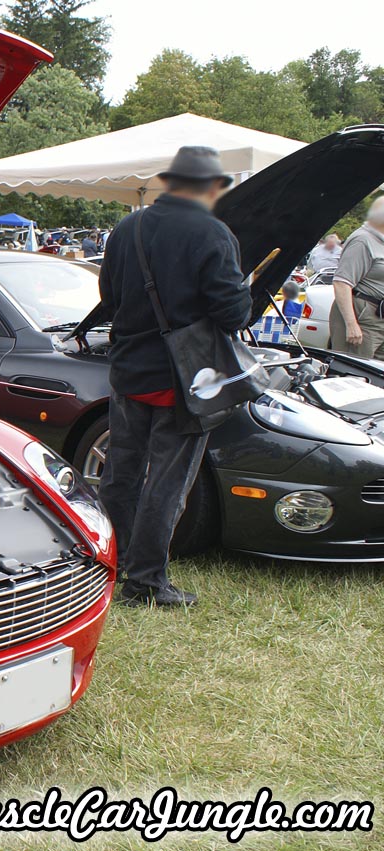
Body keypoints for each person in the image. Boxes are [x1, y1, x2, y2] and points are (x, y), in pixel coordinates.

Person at [97, 146, 252, 608]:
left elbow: (108, 298)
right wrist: (244, 292)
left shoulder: (129, 227)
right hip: (184, 379)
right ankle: (145, 582)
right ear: (210, 186)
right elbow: (233, 315)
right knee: (168, 482)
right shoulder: (213, 233)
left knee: (121, 474)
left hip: (129, 372)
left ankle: (112, 562)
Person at [329, 197, 384, 359]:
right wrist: (351, 325)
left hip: (379, 318)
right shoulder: (362, 240)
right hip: (363, 318)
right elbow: (341, 283)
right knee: (355, 374)